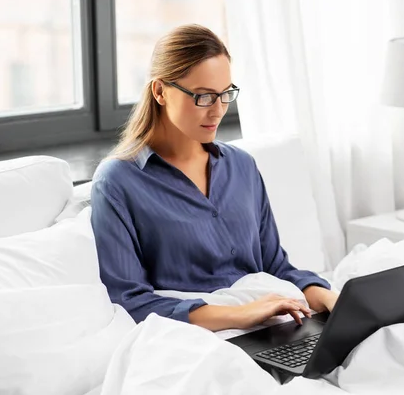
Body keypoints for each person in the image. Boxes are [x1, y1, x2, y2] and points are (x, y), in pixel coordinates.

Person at [90, 24, 338, 332]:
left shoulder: (242, 167)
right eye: (204, 97)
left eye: (225, 94)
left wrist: (330, 298)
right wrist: (242, 314)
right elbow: (129, 300)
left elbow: (276, 266)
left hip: (275, 324)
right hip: (198, 335)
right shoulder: (118, 182)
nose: (218, 110)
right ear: (160, 91)